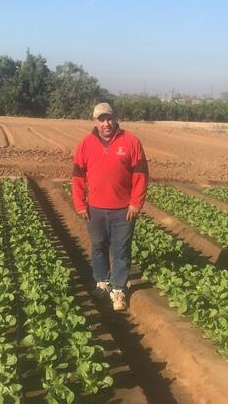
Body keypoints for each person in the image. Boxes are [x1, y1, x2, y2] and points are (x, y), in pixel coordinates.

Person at [72, 102, 149, 311]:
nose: (106, 123)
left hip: (123, 209)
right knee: (98, 247)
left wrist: (135, 203)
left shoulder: (131, 142)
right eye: (101, 119)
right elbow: (78, 176)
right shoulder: (85, 144)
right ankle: (102, 283)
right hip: (95, 209)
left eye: (109, 118)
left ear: (115, 118)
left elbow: (141, 175)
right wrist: (80, 203)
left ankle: (118, 290)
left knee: (121, 250)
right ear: (95, 121)